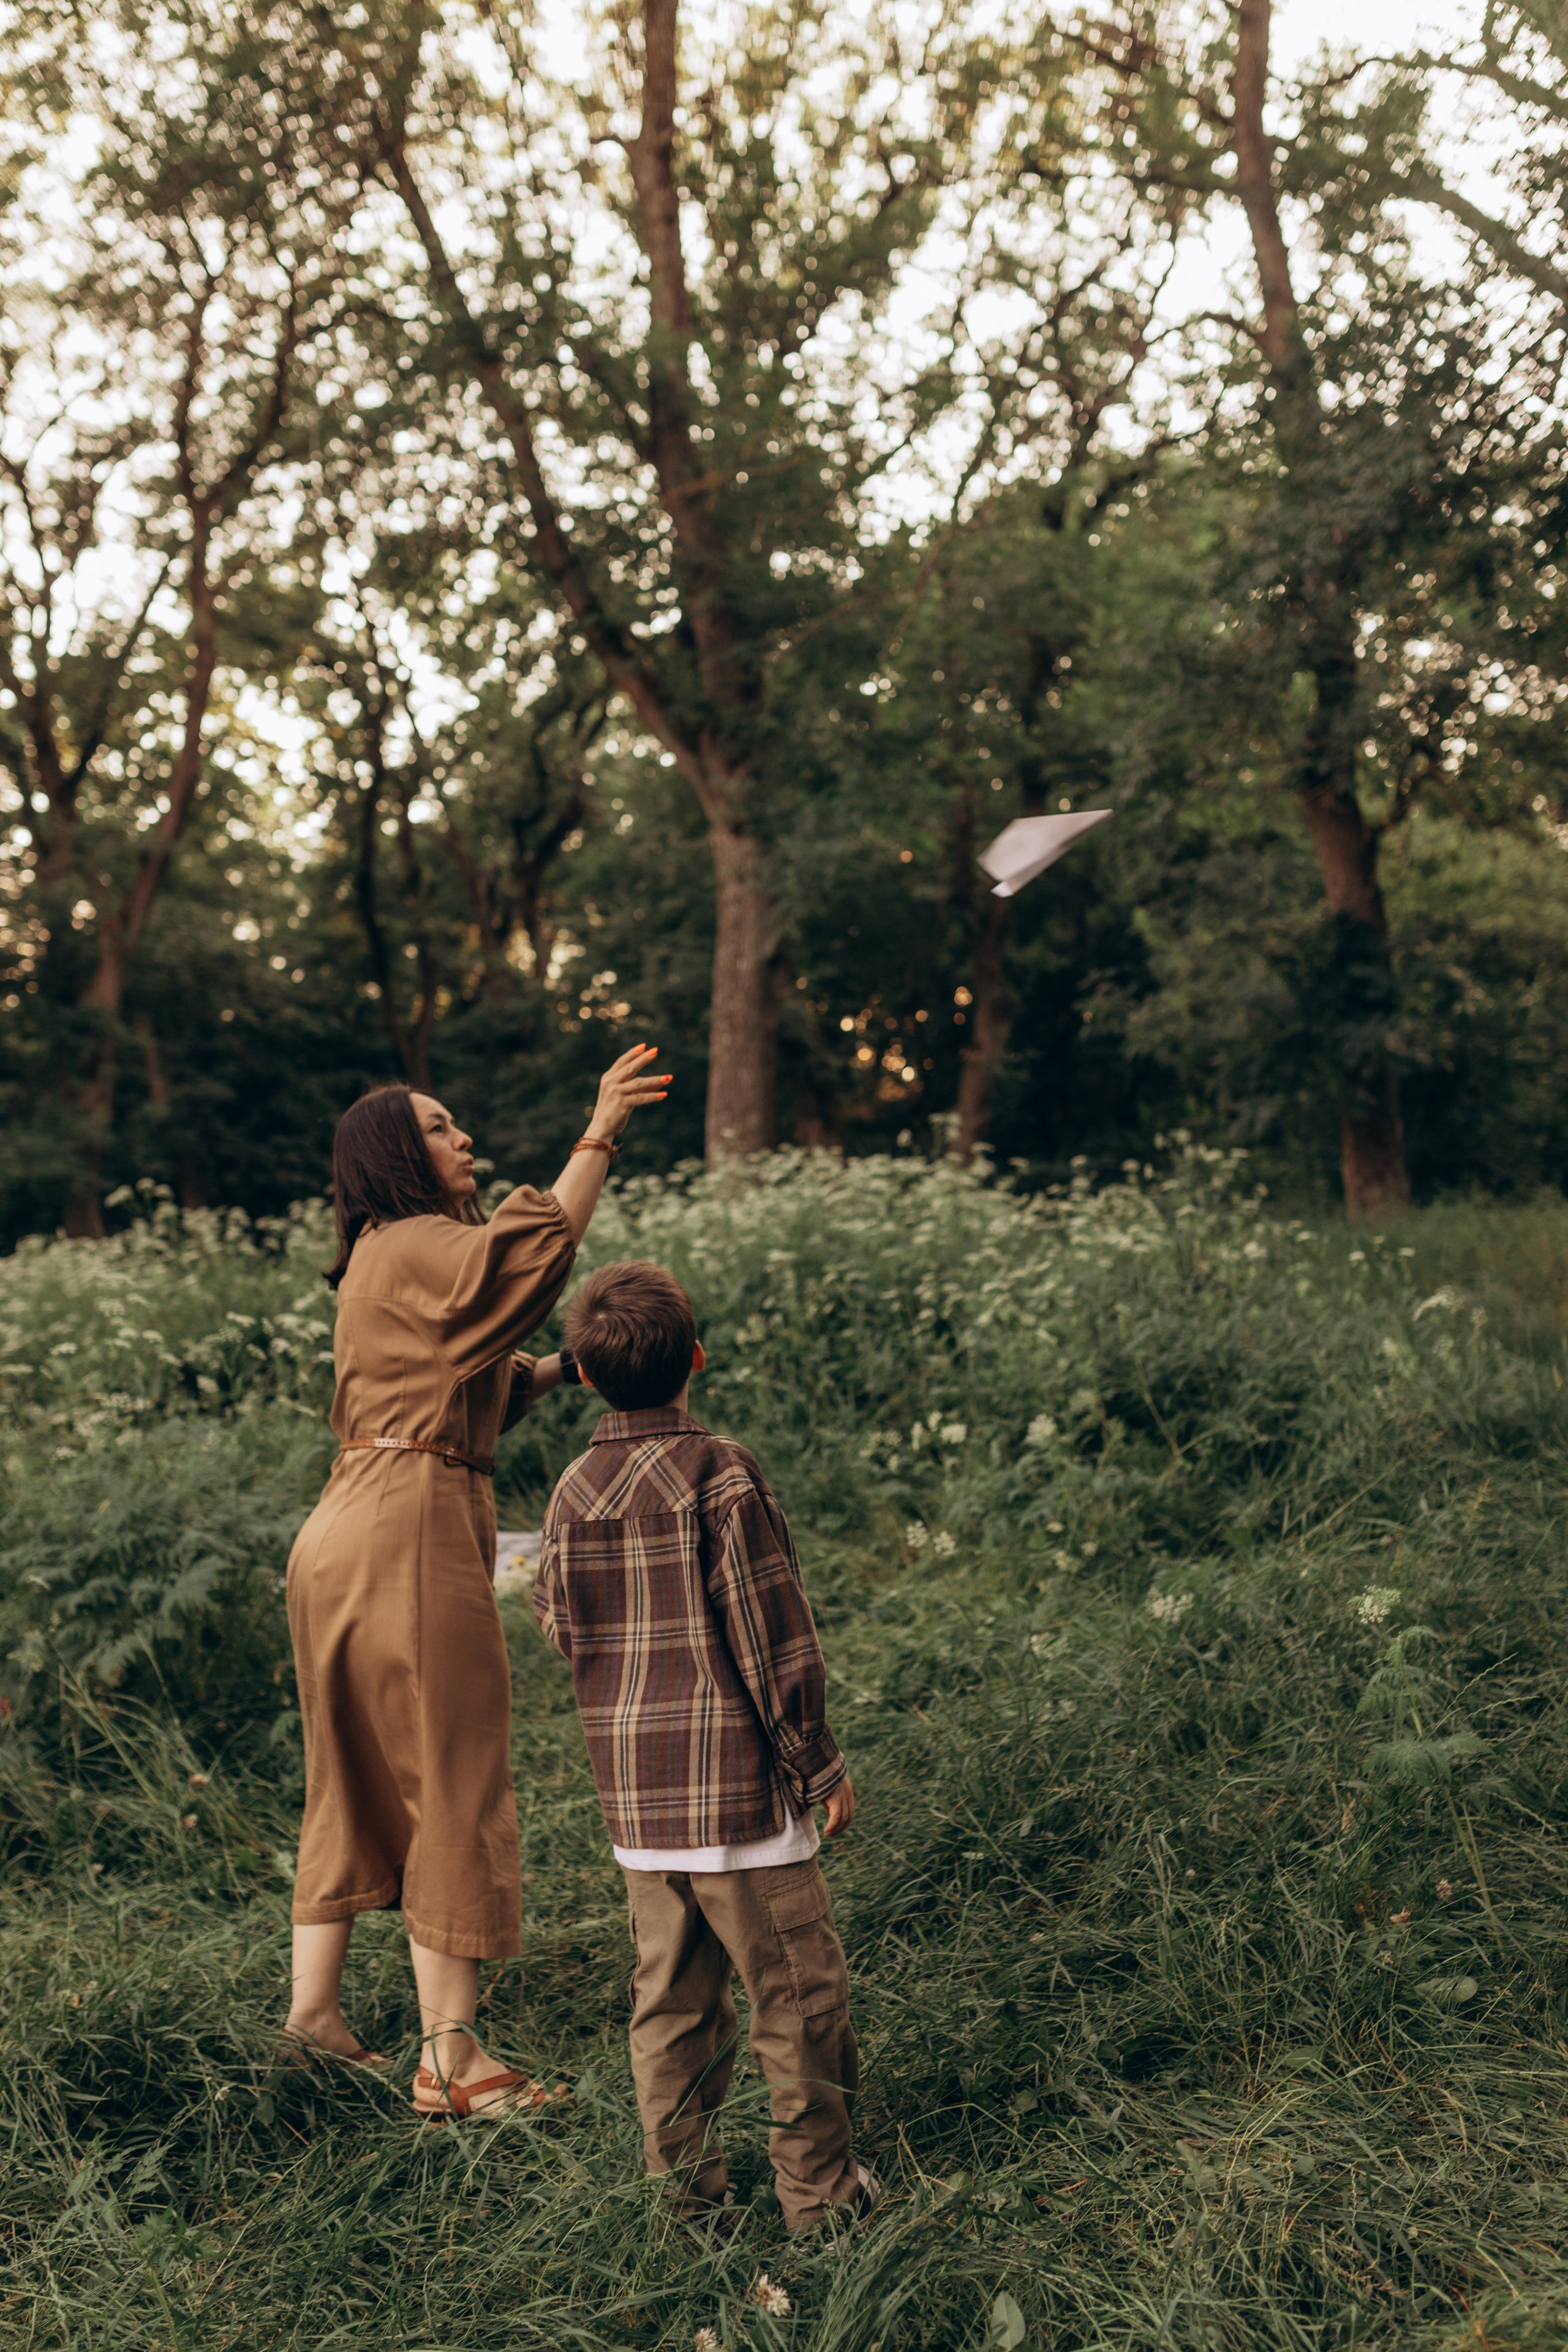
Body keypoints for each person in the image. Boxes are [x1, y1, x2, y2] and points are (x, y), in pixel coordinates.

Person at [281, 1046, 669, 2119]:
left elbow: (470, 1380)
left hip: (339, 1529)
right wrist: (600, 1132)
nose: (466, 1141)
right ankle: (451, 2062)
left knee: (352, 1772)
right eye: (444, 1128)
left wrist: (558, 1373)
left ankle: (315, 2019)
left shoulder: (377, 1258)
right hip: (407, 1527)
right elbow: (531, 1259)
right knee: (450, 1769)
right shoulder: (423, 1242)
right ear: (399, 1154)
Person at [532, 1260, 874, 2232]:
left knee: (672, 2010)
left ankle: (686, 2205)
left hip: (640, 1811)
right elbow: (772, 1632)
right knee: (799, 2001)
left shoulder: (572, 1488)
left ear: (587, 1378)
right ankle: (821, 2198)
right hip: (740, 1802)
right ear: (697, 1357)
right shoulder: (720, 1471)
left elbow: (560, 1619)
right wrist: (817, 1761)